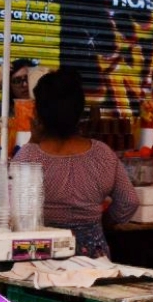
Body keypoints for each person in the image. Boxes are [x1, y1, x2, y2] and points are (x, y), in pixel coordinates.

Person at [12, 68, 139, 259]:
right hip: (94, 259)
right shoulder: (102, 154)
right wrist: (102, 222)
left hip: (44, 255)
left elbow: (12, 206)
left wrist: (32, 141)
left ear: (38, 114)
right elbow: (129, 201)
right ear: (80, 112)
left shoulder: (29, 157)